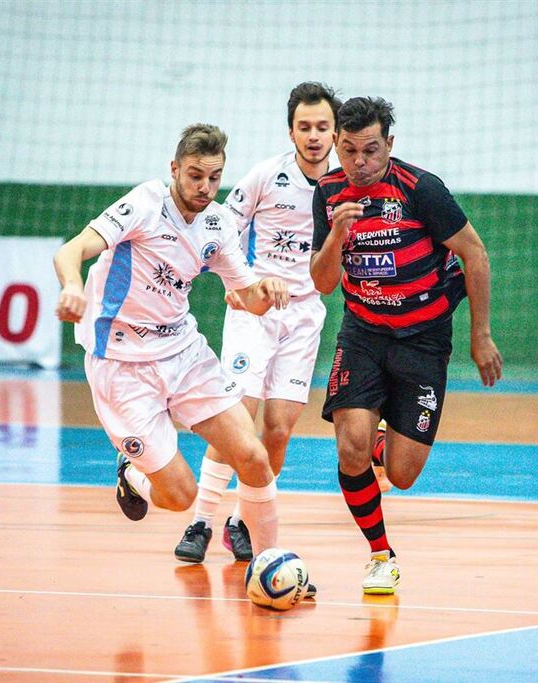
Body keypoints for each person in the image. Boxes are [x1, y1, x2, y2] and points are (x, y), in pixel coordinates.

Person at [53, 123, 291, 562]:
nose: (205, 187)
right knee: (181, 496)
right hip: (121, 366)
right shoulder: (145, 204)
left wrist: (267, 290)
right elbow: (70, 251)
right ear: (175, 168)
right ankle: (133, 476)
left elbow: (249, 297)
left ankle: (271, 561)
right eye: (195, 175)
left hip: (183, 354)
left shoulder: (218, 223)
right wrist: (72, 287)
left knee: (254, 457)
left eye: (215, 178)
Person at [310, 97, 503, 595]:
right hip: (364, 334)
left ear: (389, 146)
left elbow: (475, 255)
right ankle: (380, 554)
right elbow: (324, 283)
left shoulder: (422, 190)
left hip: (424, 340)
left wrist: (479, 336)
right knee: (350, 449)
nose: (359, 162)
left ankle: (384, 442)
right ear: (336, 145)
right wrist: (337, 236)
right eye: (348, 150)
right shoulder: (329, 194)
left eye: (370, 150)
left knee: (402, 472)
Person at [173, 82, 341, 566]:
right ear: (291, 130)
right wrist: (238, 280)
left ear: (334, 132)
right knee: (238, 415)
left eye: (322, 127)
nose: (313, 136)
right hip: (256, 310)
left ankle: (241, 523)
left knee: (279, 430)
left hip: (305, 316)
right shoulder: (268, 176)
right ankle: (201, 521)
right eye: (304, 127)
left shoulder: (345, 187)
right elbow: (222, 223)